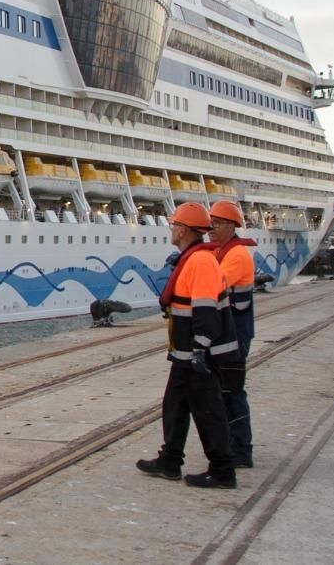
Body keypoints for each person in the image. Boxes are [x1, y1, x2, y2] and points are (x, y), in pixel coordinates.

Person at [137, 202, 241, 488]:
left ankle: (223, 471)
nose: (171, 230)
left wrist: (199, 349)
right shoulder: (192, 258)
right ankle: (170, 461)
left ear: (183, 230)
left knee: (208, 412)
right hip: (185, 354)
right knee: (175, 407)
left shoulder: (200, 261)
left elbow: (206, 310)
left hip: (200, 355)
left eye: (174, 225)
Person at [210, 200, 257, 468]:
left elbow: (216, 284)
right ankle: (233, 445)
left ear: (230, 225)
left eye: (216, 223)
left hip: (236, 333)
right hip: (229, 331)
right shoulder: (224, 251)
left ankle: (241, 449)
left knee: (232, 391)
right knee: (225, 391)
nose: (210, 228)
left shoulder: (236, 255)